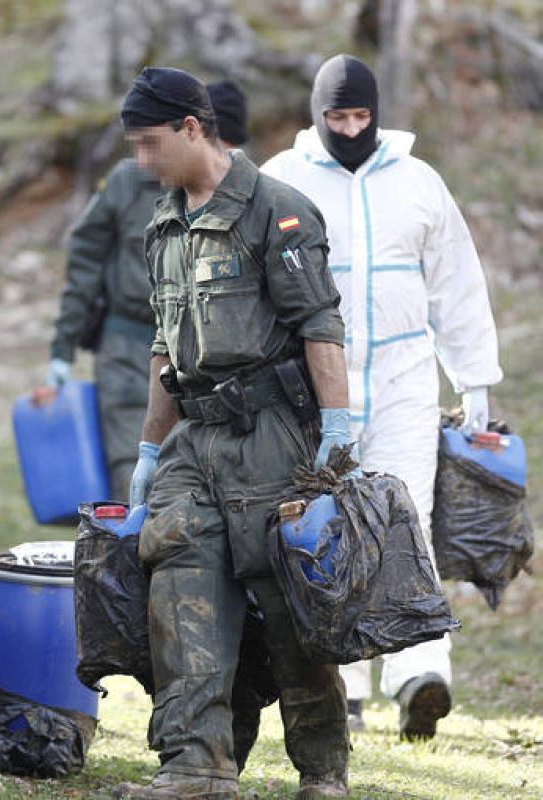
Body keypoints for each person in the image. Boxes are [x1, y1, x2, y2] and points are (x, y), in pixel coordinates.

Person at [116, 66, 351, 800]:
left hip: (271, 439)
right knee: (180, 593)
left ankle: (322, 770)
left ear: (192, 128)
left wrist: (336, 429)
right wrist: (149, 449)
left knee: (289, 610)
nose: (142, 161)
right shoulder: (164, 224)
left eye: (150, 143)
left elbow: (319, 324)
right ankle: (197, 767)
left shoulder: (276, 210)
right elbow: (164, 346)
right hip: (195, 441)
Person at [262, 53, 502, 740]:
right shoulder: (282, 179)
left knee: (406, 521)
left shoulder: (417, 181)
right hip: (313, 385)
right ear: (317, 114)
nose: (348, 129)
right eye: (336, 117)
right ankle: (343, 685)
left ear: (376, 113)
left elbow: (455, 282)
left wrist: (474, 378)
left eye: (360, 116)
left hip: (403, 380)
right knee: (326, 526)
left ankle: (419, 674)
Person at [47, 80, 249, 502]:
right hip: (127, 350)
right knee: (131, 469)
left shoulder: (252, 195)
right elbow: (85, 259)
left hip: (205, 357)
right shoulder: (128, 182)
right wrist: (63, 347)